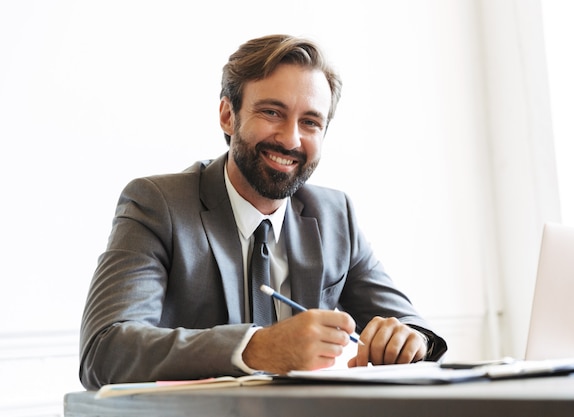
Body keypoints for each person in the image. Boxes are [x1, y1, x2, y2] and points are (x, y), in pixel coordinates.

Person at [79, 34, 447, 390]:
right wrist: (256, 348)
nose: (291, 139)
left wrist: (408, 339)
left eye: (310, 122)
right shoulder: (158, 204)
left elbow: (412, 325)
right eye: (273, 112)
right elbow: (105, 350)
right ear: (228, 115)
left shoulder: (336, 215)